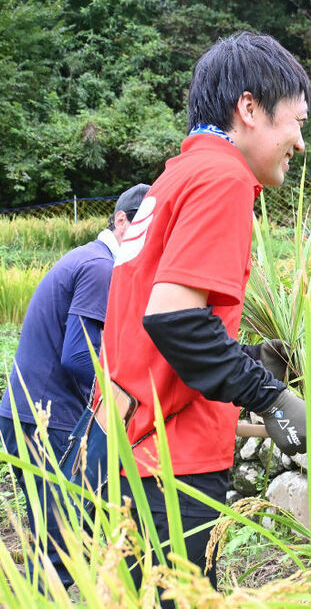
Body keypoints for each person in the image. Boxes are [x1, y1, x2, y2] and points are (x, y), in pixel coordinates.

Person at [95, 32, 311, 597]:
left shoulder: (176, 177)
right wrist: (272, 396)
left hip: (132, 448)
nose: (300, 143)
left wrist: (253, 359)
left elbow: (153, 327)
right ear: (249, 108)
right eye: (296, 122)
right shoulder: (224, 178)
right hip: (169, 462)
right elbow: (176, 319)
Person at [0, 183, 150, 589]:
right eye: (146, 229)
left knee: (58, 541)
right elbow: (80, 356)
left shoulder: (90, 260)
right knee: (63, 547)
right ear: (121, 221)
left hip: (34, 413)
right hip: (46, 417)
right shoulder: (101, 267)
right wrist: (132, 397)